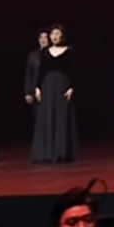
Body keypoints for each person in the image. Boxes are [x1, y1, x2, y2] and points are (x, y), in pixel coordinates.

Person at [30, 24, 78, 164]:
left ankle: (61, 151)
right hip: (47, 86)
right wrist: (38, 87)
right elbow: (41, 71)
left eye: (57, 34)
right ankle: (46, 151)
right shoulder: (45, 52)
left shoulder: (69, 51)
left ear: (62, 35)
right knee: (46, 116)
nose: (55, 36)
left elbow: (73, 71)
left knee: (61, 116)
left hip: (62, 85)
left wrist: (71, 87)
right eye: (52, 34)